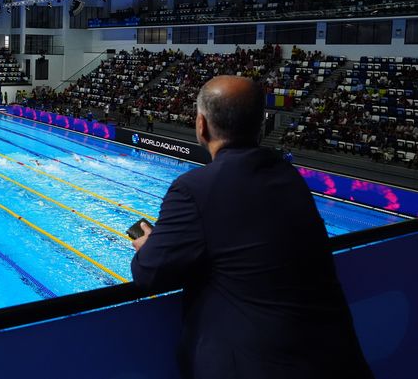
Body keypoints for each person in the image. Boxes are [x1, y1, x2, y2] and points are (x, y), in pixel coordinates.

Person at [130, 76, 371, 379]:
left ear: (201, 125)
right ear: (260, 124)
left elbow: (149, 274)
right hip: (338, 361)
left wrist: (148, 246)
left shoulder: (193, 188)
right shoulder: (289, 178)